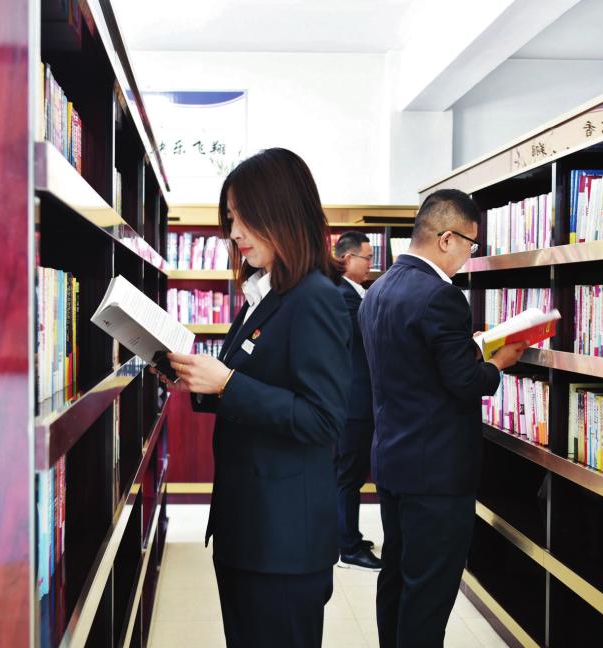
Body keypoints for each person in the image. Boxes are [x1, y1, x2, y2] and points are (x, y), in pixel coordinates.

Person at [161, 148, 352, 648]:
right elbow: (250, 383)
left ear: (283, 213)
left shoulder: (316, 298)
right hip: (248, 529)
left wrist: (227, 384)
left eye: (245, 218)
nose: (235, 233)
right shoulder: (266, 294)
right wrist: (199, 383)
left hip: (283, 543)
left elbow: (323, 419)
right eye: (230, 219)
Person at [358, 188, 526, 648]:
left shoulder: (379, 289)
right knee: (429, 591)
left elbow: (416, 364)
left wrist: (466, 348)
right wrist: (497, 363)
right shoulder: (441, 297)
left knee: (397, 574)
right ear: (447, 238)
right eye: (471, 244)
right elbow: (466, 383)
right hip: (436, 473)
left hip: (393, 461)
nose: (470, 255)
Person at [332, 231, 382, 571]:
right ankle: (347, 546)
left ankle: (348, 535)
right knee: (347, 476)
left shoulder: (355, 293)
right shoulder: (344, 297)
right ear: (348, 258)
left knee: (349, 474)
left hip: (357, 400)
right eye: (367, 258)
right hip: (353, 402)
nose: (371, 265)